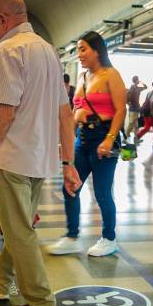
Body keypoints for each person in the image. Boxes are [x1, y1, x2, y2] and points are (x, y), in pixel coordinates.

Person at [0, 0, 80, 306]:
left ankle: (41, 304)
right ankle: (1, 282)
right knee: (19, 226)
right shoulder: (47, 50)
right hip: (40, 159)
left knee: (19, 232)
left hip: (13, 158)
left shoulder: (7, 50)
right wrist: (67, 162)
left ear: (2, 18)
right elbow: (64, 113)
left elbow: (3, 115)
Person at [47, 31, 127, 258]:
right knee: (70, 187)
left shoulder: (110, 75)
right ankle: (72, 236)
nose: (79, 54)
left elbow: (121, 110)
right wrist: (66, 143)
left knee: (102, 192)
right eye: (78, 49)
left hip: (104, 137)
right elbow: (74, 113)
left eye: (83, 49)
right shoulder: (82, 78)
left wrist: (110, 139)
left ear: (97, 50)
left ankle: (109, 238)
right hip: (82, 139)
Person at [135, 81, 153, 146]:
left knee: (147, 127)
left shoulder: (149, 93)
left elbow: (146, 102)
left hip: (147, 113)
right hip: (152, 115)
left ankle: (138, 136)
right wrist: (152, 113)